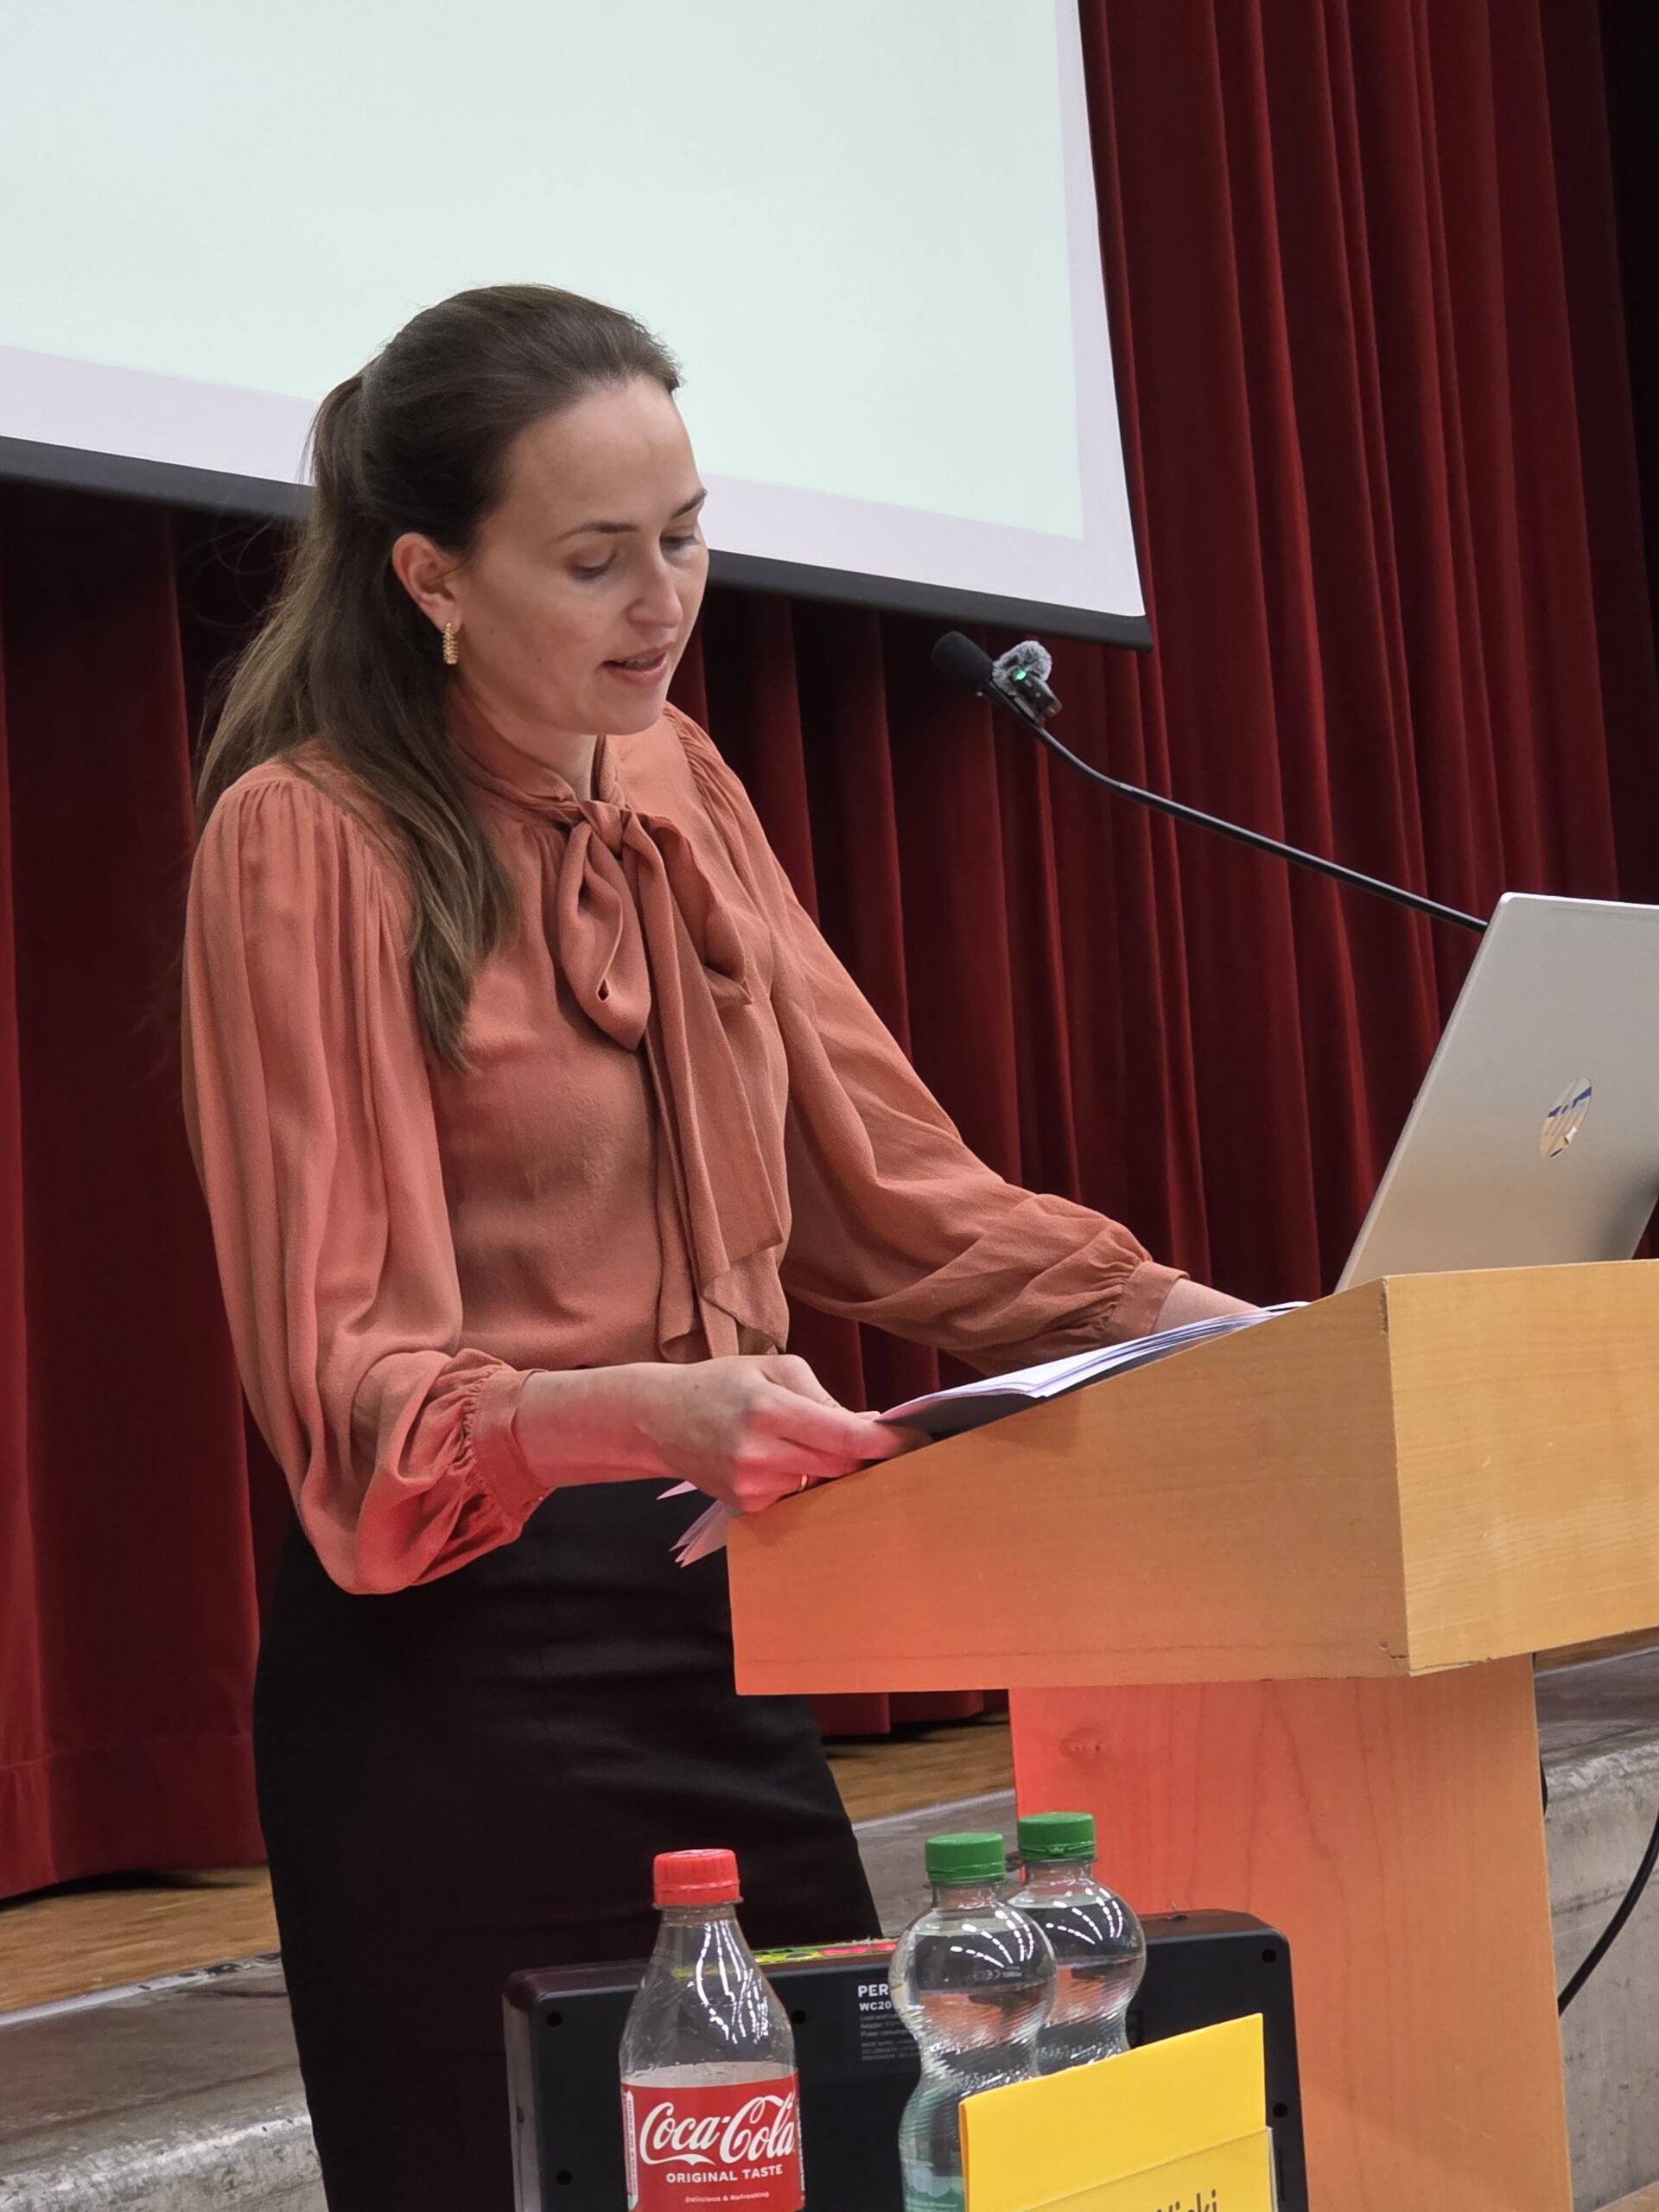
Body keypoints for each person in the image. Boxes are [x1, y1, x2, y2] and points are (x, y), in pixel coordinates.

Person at [181, 282, 1251, 2211]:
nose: (662, 599)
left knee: (826, 2166)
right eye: (595, 559)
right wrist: (648, 1409)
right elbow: (353, 1396)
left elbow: (881, 1184)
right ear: (431, 576)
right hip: (462, 1660)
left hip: (723, 1625)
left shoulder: (679, 777)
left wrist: (1185, 1317)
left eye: (685, 536)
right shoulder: (306, 839)